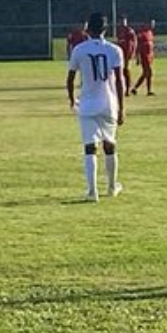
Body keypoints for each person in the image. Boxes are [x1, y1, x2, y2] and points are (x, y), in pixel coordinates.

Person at [66, 12, 126, 202]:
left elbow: (70, 79)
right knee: (110, 145)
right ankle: (111, 186)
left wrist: (71, 99)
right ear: (105, 29)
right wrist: (121, 107)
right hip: (109, 103)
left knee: (90, 147)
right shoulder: (114, 50)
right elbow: (120, 81)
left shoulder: (79, 50)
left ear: (87, 29)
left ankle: (92, 191)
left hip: (87, 104)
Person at [130, 18, 156, 96]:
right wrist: (138, 57)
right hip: (144, 55)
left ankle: (134, 88)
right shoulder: (142, 33)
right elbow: (138, 45)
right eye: (151, 23)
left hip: (150, 55)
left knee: (145, 73)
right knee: (149, 72)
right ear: (147, 24)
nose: (153, 25)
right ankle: (149, 91)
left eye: (153, 24)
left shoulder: (150, 32)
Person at [115, 16, 138, 93]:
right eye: (121, 21)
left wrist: (133, 52)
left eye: (124, 21)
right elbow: (119, 41)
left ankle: (128, 88)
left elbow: (134, 42)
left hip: (128, 53)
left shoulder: (129, 30)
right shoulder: (119, 30)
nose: (122, 23)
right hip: (121, 53)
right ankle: (124, 87)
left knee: (126, 70)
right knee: (120, 71)